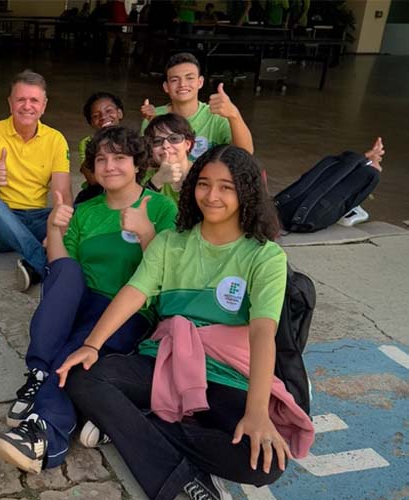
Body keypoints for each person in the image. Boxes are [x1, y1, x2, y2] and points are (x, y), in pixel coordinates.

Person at [58, 145, 314, 500]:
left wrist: (256, 413)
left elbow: (262, 333)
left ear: (247, 191)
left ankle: (132, 426)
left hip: (226, 376)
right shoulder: (170, 242)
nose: (212, 195)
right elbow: (134, 293)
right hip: (165, 362)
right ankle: (182, 477)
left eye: (226, 187)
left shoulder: (264, 255)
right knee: (84, 378)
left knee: (264, 464)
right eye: (204, 184)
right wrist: (91, 345)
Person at [0, 127, 177, 473]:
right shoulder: (86, 210)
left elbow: (165, 280)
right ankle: (44, 372)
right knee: (68, 276)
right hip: (80, 301)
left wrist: (146, 233)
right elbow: (61, 268)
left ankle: (45, 431)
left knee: (75, 351)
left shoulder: (162, 209)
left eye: (119, 157)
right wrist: (54, 229)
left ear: (138, 164)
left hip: (128, 310)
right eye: (101, 159)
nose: (109, 166)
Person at [0, 70, 72, 291]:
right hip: (0, 222)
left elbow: (63, 194)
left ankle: (36, 256)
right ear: (10, 104)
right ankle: (42, 260)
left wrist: (61, 229)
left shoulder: (56, 139)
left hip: (38, 219)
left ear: (44, 106)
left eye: (34, 100)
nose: (27, 106)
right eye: (21, 99)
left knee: (79, 209)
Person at [140, 52, 254, 161]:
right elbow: (144, 161)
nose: (182, 84)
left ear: (200, 82)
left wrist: (234, 115)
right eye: (175, 80)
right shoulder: (154, 116)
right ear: (166, 87)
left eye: (189, 78)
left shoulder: (217, 116)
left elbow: (245, 154)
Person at [75, 92, 125, 205]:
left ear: (120, 113)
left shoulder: (130, 139)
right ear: (91, 123)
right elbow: (93, 179)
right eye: (96, 116)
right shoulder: (87, 142)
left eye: (109, 111)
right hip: (96, 193)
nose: (103, 117)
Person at [143, 113, 196, 202]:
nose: (165, 145)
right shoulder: (144, 176)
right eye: (157, 141)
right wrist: (157, 180)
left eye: (174, 138)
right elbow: (134, 211)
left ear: (187, 144)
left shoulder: (203, 173)